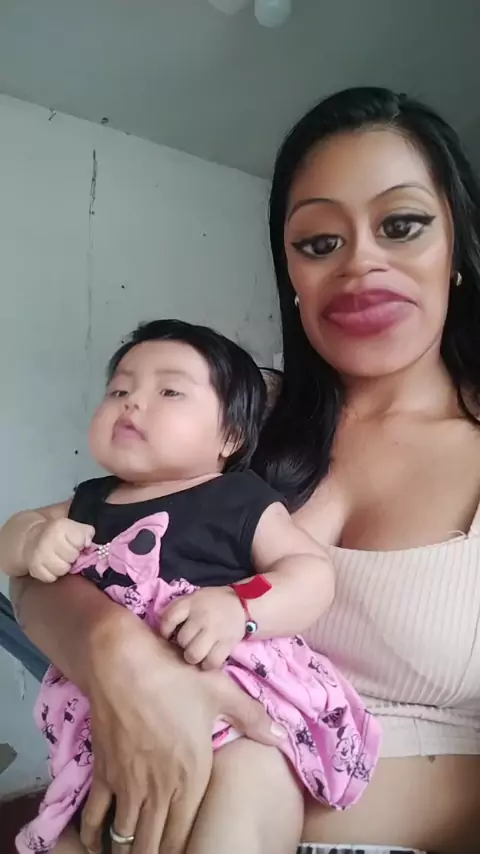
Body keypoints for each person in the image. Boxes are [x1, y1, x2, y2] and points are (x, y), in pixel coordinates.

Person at [2, 85, 480, 854]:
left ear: (457, 245)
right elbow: (39, 574)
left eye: (402, 225)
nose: (360, 263)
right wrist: (119, 655)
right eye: (319, 242)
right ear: (290, 270)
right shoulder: (238, 420)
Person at [1, 318, 380, 854]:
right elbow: (11, 538)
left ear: (230, 436)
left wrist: (240, 606)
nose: (133, 402)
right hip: (113, 723)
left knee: (246, 794)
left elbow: (310, 573)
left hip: (233, 709)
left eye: (170, 391)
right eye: (119, 390)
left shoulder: (239, 499)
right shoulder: (89, 501)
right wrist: (33, 539)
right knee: (75, 833)